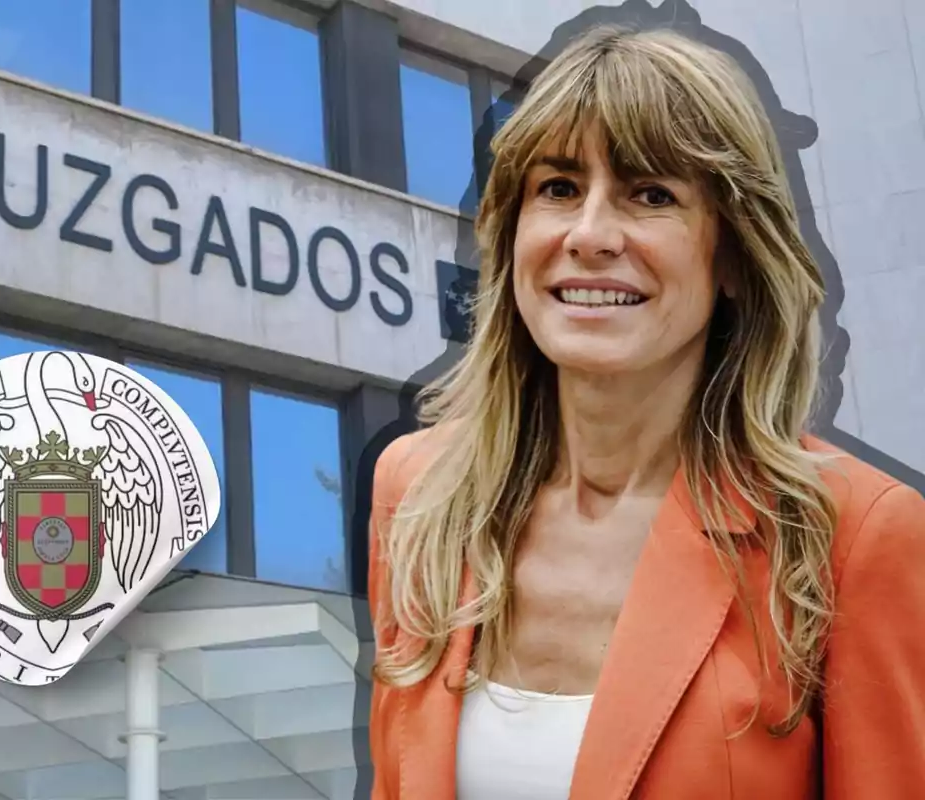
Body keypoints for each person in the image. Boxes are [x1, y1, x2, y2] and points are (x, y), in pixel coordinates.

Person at [366, 24, 925, 800]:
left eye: (651, 194)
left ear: (731, 255)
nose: (590, 235)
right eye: (558, 189)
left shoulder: (853, 536)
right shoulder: (419, 492)